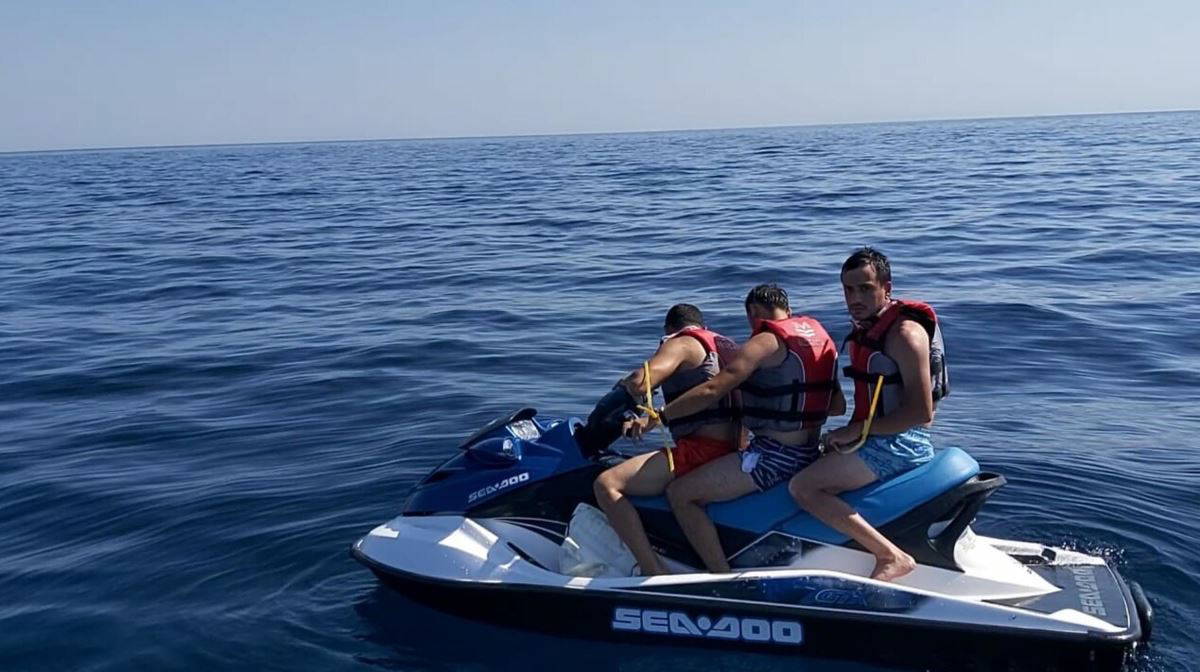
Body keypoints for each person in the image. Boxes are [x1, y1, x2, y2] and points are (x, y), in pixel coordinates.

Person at [625, 284, 844, 573]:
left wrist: (659, 416)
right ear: (788, 310)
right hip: (809, 452)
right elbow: (837, 406)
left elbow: (712, 389)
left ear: (753, 312)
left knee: (681, 494)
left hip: (774, 457)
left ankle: (720, 575)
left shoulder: (764, 342)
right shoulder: (820, 339)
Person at [787, 247, 949, 582]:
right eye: (848, 289)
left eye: (865, 288)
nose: (855, 298)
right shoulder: (870, 328)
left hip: (902, 444)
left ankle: (891, 556)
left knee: (803, 487)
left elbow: (921, 412)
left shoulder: (905, 335)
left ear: (886, 288)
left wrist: (857, 430)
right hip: (878, 436)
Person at [583, 304, 740, 576]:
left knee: (607, 484)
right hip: (734, 448)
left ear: (669, 328)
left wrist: (619, 395)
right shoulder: (725, 345)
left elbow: (640, 381)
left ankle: (652, 570)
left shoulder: (682, 343)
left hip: (702, 451)